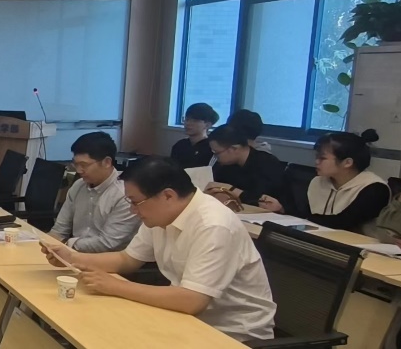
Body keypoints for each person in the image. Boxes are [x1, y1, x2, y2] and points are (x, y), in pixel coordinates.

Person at [41, 157, 275, 341]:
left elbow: (192, 300)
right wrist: (73, 258)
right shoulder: (161, 214)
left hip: (233, 335)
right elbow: (127, 259)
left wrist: (116, 286)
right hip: (186, 320)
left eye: (135, 202)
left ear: (168, 196)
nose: (133, 210)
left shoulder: (213, 225)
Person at [258, 130, 389, 234]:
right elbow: (310, 216)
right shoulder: (318, 182)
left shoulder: (375, 189)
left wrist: (298, 215)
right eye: (316, 157)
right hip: (322, 240)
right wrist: (281, 209)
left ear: (347, 162)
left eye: (322, 158)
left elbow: (343, 222)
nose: (316, 162)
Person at [48, 132, 140, 252]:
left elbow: (108, 243)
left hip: (109, 259)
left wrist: (66, 245)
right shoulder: (78, 186)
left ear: (107, 162)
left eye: (84, 165)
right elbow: (60, 230)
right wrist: (48, 242)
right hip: (73, 254)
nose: (79, 170)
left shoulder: (125, 194)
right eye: (76, 164)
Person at [207, 124, 286, 206]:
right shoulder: (227, 165)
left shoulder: (267, 163)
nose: (215, 157)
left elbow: (262, 200)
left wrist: (230, 189)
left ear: (234, 149)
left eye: (216, 153)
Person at [171, 103, 218, 168]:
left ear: (207, 125)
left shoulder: (211, 148)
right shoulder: (180, 145)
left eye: (195, 121)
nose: (188, 123)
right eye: (187, 119)